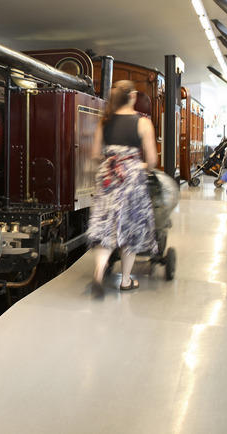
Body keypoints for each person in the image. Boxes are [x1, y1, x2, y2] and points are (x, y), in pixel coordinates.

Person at [88, 80, 158, 297]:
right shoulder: (143, 123)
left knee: (105, 225)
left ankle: (99, 274)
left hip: (107, 177)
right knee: (130, 228)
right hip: (131, 179)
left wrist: (112, 159)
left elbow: (94, 155)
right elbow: (153, 160)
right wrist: (138, 164)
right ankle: (126, 280)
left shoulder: (104, 121)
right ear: (133, 96)